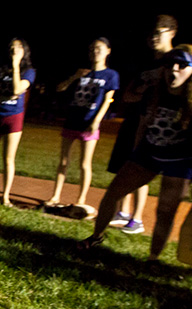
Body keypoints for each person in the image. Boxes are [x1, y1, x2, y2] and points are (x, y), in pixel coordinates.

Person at [79, 47, 192, 261]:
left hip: (180, 160)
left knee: (166, 209)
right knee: (112, 193)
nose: (174, 70)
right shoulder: (155, 92)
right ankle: (95, 237)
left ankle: (153, 258)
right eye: (169, 64)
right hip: (148, 152)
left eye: (182, 65)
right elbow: (143, 123)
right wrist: (136, 153)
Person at [106, 15, 178, 234]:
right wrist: (145, 93)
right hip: (134, 119)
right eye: (151, 33)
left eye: (159, 32)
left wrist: (149, 94)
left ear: (172, 32)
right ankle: (123, 213)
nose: (153, 37)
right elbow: (128, 95)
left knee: (141, 167)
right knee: (126, 165)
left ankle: (136, 220)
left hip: (157, 125)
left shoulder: (176, 61)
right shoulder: (146, 63)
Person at [47, 38, 120, 207]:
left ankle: (81, 200)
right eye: (93, 49)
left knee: (85, 163)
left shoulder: (111, 75)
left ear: (108, 51)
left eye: (99, 48)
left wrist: (96, 121)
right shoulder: (82, 72)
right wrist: (74, 77)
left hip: (89, 123)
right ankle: (55, 196)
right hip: (72, 120)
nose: (95, 51)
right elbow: (60, 88)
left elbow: (108, 100)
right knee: (64, 161)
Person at [0, 38, 36, 206]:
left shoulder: (29, 71)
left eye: (18, 47)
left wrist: (16, 65)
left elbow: (18, 90)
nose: (14, 50)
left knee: (8, 158)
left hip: (14, 117)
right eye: (11, 47)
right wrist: (3, 97)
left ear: (24, 51)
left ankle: (5, 197)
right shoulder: (0, 70)